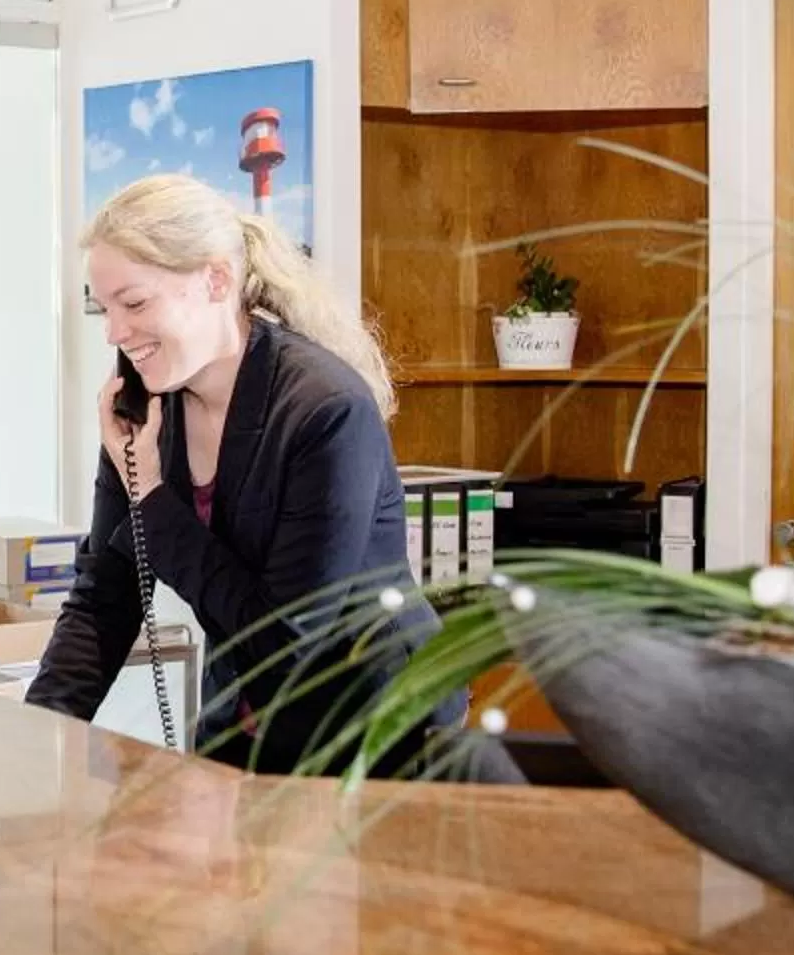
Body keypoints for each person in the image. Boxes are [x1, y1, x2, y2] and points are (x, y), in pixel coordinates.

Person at [25, 175, 517, 782]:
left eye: (135, 304)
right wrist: (36, 742)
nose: (114, 333)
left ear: (216, 280)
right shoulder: (147, 406)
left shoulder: (325, 410)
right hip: (246, 722)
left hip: (374, 730)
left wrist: (149, 496)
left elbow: (284, 636)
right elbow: (107, 595)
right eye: (106, 308)